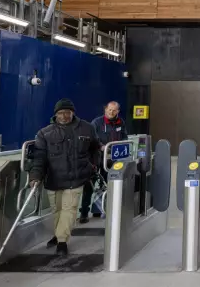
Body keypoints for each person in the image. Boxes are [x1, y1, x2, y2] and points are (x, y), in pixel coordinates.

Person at [29, 99, 101, 255]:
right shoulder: (45, 133)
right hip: (53, 179)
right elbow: (39, 158)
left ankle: (62, 241)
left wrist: (93, 164)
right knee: (57, 210)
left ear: (73, 113)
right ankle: (58, 234)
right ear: (55, 115)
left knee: (69, 209)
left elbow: (96, 148)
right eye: (61, 113)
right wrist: (35, 177)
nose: (64, 116)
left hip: (76, 177)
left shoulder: (87, 128)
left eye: (67, 112)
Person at [79, 101, 128, 223]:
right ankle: (84, 212)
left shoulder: (120, 122)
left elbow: (124, 138)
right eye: (109, 110)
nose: (111, 112)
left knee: (108, 185)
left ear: (118, 111)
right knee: (89, 186)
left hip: (111, 160)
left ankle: (104, 210)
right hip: (96, 159)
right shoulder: (96, 123)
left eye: (114, 110)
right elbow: (91, 138)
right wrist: (101, 147)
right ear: (105, 110)